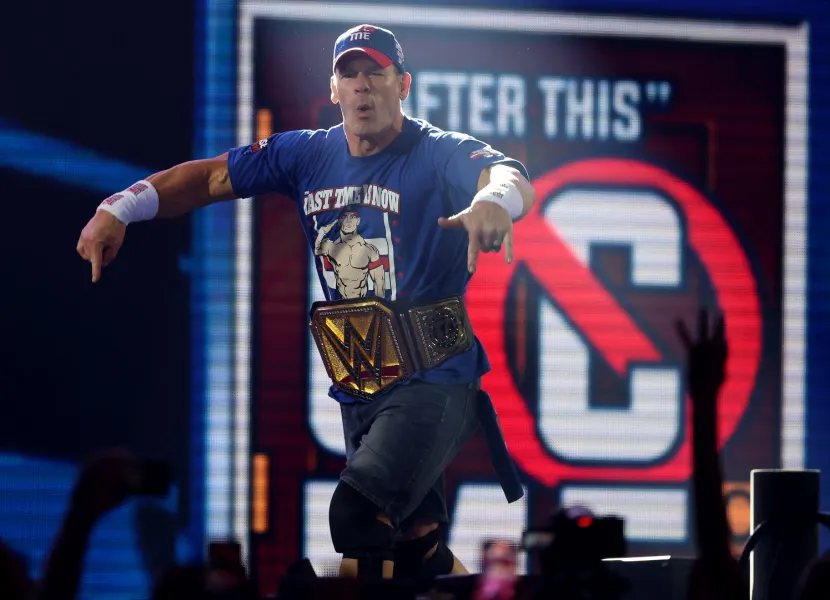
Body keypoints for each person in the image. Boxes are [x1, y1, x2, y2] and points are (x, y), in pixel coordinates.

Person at [76, 24, 534, 583]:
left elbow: (507, 172)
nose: (363, 86)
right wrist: (120, 207)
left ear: (403, 85)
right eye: (350, 74)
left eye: (376, 74)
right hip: (363, 378)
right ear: (334, 89)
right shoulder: (306, 155)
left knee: (357, 519)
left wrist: (493, 200)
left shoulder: (436, 152)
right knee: (414, 549)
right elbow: (212, 177)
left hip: (435, 380)